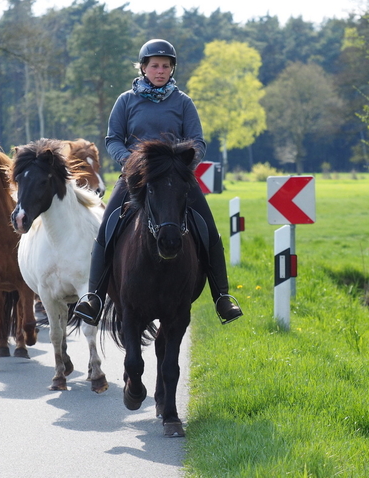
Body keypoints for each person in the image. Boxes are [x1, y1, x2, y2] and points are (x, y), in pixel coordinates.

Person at [73, 39, 243, 326]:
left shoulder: (183, 102)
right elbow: (113, 139)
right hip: (135, 177)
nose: (160, 71)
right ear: (143, 68)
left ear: (172, 68)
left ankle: (222, 297)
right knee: (108, 227)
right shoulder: (126, 100)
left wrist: (181, 165)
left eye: (166, 66)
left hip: (176, 181)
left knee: (208, 230)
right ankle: (94, 297)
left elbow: (197, 141)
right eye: (155, 66)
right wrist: (132, 163)